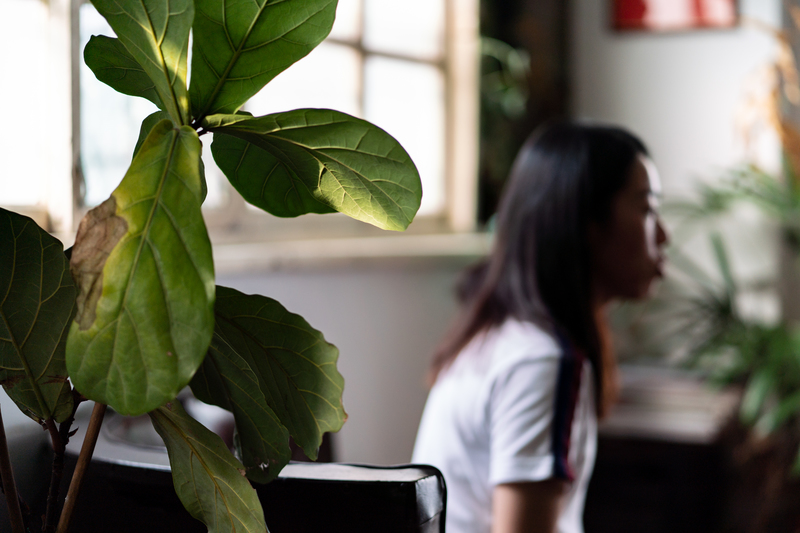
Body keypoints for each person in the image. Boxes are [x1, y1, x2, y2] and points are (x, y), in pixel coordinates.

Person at [412, 121, 669, 533]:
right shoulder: (543, 361)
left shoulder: (503, 336)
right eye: (647, 208)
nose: (664, 233)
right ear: (587, 221)